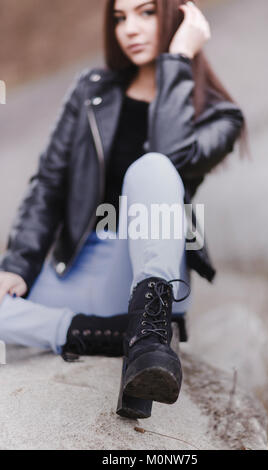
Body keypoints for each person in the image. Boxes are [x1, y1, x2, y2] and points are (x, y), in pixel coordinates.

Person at [0, 0, 246, 419]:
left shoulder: (220, 117)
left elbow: (171, 156)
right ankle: (114, 337)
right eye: (120, 17)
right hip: (76, 268)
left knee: (152, 167)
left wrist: (178, 59)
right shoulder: (90, 90)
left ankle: (148, 330)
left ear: (177, 17)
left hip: (146, 270)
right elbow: (49, 185)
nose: (129, 28)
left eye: (146, 12)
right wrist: (18, 265)